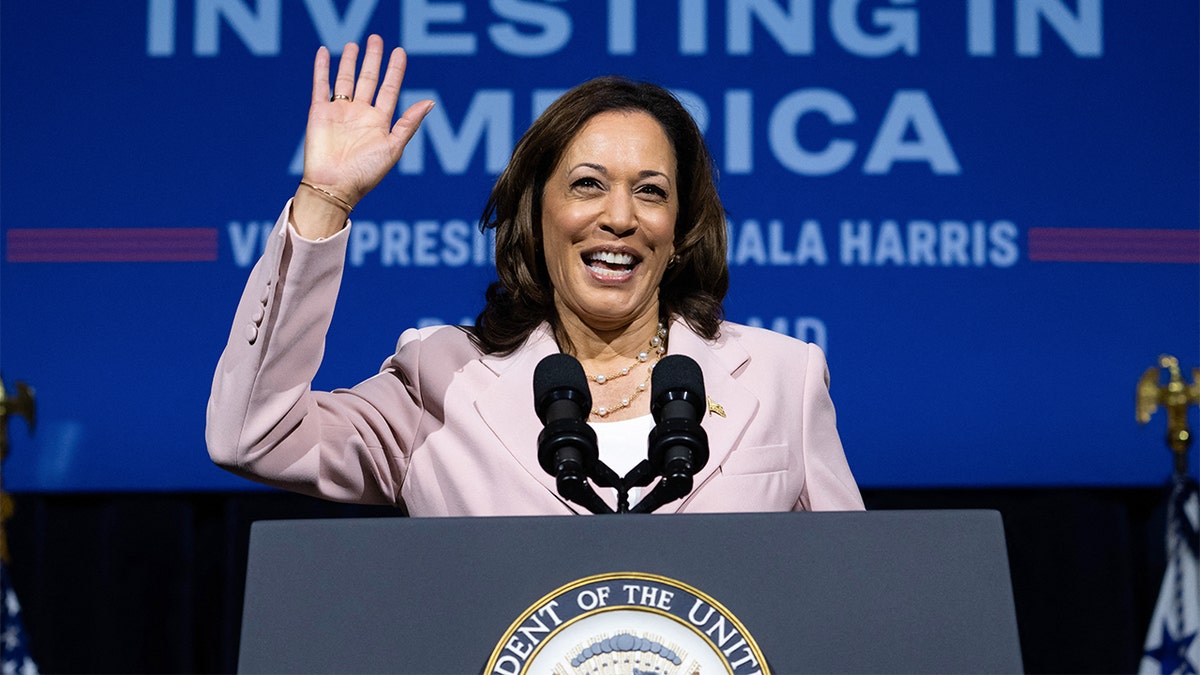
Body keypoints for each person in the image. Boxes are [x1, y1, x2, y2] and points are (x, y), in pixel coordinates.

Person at [206, 35, 864, 515]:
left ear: (680, 227)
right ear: (538, 212)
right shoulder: (440, 380)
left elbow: (851, 598)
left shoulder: (783, 378)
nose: (619, 217)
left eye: (651, 192)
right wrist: (325, 201)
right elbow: (253, 436)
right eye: (587, 185)